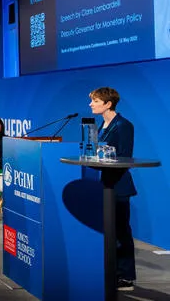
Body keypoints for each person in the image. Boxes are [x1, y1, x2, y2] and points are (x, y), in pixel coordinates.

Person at [89, 87, 136, 291]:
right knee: (109, 232)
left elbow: (124, 156)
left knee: (121, 231)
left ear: (108, 104)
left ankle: (125, 277)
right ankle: (111, 272)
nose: (91, 104)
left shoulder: (123, 125)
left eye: (96, 101)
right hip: (105, 184)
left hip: (119, 185)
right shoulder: (103, 124)